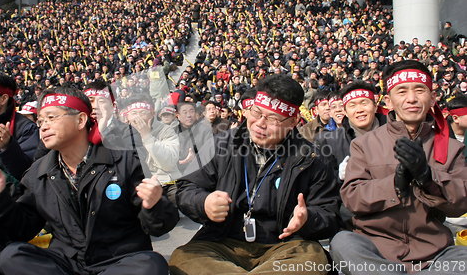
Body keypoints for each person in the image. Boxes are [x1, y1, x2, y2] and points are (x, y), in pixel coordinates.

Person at [0, 87, 179, 275]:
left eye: (52, 118)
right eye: (41, 121)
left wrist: (153, 205)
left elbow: (159, 227)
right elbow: (23, 229)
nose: (43, 127)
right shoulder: (38, 172)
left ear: (81, 120)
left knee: (151, 264)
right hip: (67, 263)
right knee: (12, 256)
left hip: (118, 260)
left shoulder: (124, 161)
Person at [170, 77, 341, 275]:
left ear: (293, 122)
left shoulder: (314, 158)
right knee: (184, 258)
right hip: (222, 240)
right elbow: (185, 188)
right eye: (256, 112)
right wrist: (203, 202)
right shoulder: (221, 144)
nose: (259, 123)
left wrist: (308, 219)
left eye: (273, 118)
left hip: (285, 245)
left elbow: (330, 214)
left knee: (313, 258)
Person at [330, 60, 467, 274]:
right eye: (401, 91)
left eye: (419, 90)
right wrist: (394, 184)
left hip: (434, 251)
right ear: (388, 101)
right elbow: (353, 199)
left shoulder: (452, 148)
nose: (411, 98)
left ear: (432, 98)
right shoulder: (364, 144)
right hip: (375, 248)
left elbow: (461, 204)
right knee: (343, 242)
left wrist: (428, 179)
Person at [126, 93, 181, 205]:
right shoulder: (123, 134)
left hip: (165, 183)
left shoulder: (166, 131)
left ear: (152, 114)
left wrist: (147, 137)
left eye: (142, 113)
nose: (138, 117)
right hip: (136, 185)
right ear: (127, 116)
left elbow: (168, 163)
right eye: (134, 113)